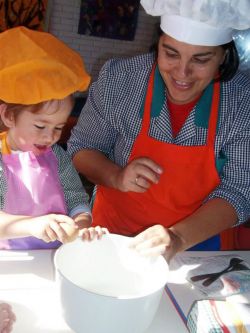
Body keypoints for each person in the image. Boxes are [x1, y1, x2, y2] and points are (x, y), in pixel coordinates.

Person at [68, 0, 250, 262]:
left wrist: (179, 238)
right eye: (171, 54)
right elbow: (81, 148)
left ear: (223, 56)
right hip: (111, 236)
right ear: (158, 45)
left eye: (201, 59)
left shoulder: (241, 102)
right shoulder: (121, 80)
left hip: (196, 244)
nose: (182, 73)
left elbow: (240, 190)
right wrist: (116, 175)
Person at [0, 26, 107, 250]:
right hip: (10, 260)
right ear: (9, 116)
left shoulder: (57, 156)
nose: (50, 136)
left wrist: (81, 224)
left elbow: (75, 197)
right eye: (40, 125)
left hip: (54, 255)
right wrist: (31, 225)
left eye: (59, 127)